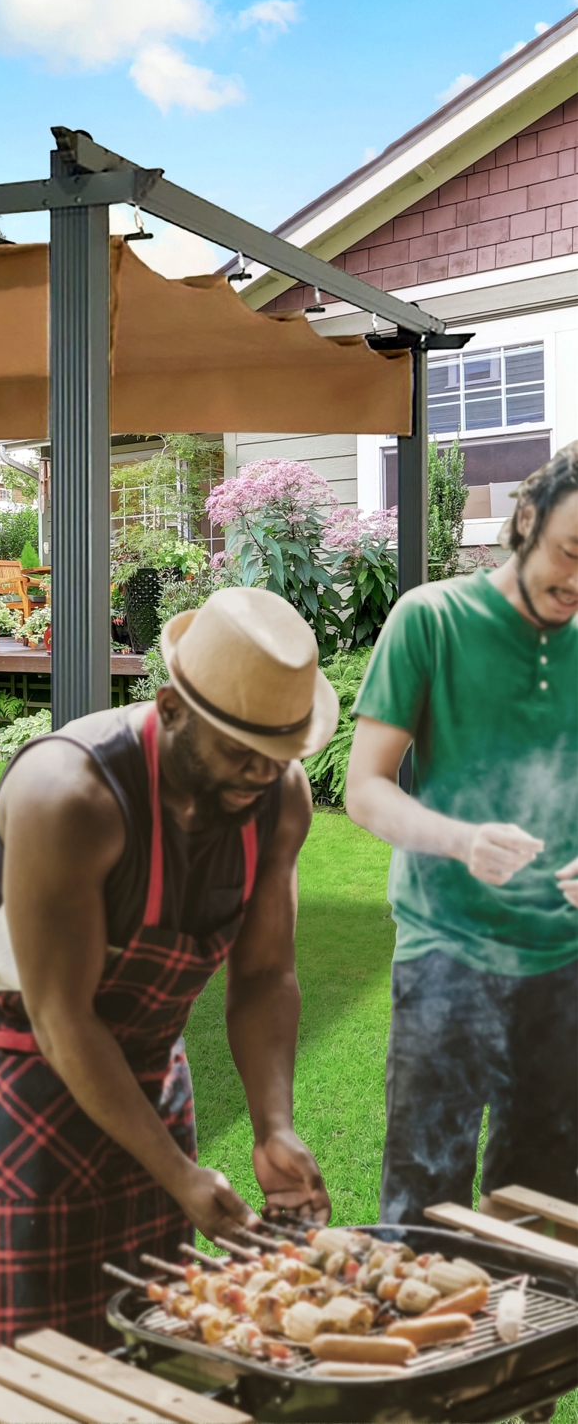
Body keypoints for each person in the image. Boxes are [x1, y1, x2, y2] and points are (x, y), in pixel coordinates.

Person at [0, 587, 335, 1412]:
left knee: (148, 1323)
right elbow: (61, 1017)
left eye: (279, 751)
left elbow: (262, 975)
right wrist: (180, 1172)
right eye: (242, 749)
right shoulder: (69, 793)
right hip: (17, 1060)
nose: (261, 772)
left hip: (144, 1060)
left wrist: (273, 1125)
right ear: (172, 706)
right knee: (14, 1351)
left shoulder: (278, 798)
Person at [345, 443, 578, 1223]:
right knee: (425, 1200)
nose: (576, 583)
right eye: (569, 553)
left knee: (546, 1209)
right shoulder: (431, 620)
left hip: (564, 962)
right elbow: (366, 788)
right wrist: (459, 840)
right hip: (446, 951)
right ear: (525, 520)